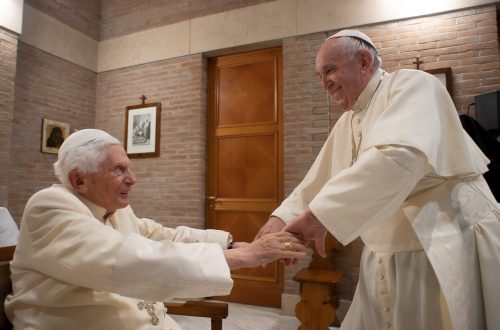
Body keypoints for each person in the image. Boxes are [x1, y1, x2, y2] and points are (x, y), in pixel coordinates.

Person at [255, 29, 500, 329]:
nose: (324, 84)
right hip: (384, 255)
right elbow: (317, 181)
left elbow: (397, 158)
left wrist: (318, 218)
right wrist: (280, 220)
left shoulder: (412, 84)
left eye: (330, 70)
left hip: (441, 243)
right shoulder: (349, 120)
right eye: (320, 75)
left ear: (363, 61)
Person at [5, 129, 305, 330]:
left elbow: (159, 234)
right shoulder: (49, 206)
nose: (132, 179)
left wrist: (230, 243)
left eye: (129, 168)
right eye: (119, 169)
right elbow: (126, 258)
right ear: (79, 180)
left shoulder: (113, 209)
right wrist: (245, 257)